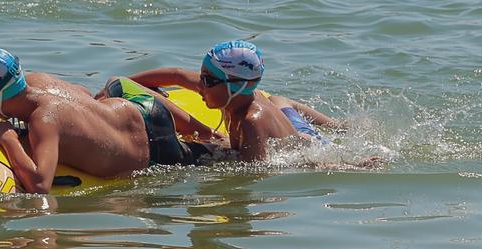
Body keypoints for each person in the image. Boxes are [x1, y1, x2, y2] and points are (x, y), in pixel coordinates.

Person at [0, 49, 218, 193]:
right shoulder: (39, 80)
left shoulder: (43, 120)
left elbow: (40, 185)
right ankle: (208, 133)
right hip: (145, 110)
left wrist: (8, 138)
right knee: (114, 84)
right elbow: (82, 93)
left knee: (223, 160)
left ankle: (212, 143)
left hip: (156, 156)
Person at [127, 41, 341, 162]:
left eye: (207, 80)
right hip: (293, 131)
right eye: (202, 76)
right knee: (277, 100)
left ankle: (339, 129)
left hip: (309, 148)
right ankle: (339, 125)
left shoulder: (251, 122)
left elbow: (253, 172)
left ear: (236, 85)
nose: (200, 85)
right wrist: (126, 84)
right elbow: (177, 75)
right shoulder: (224, 89)